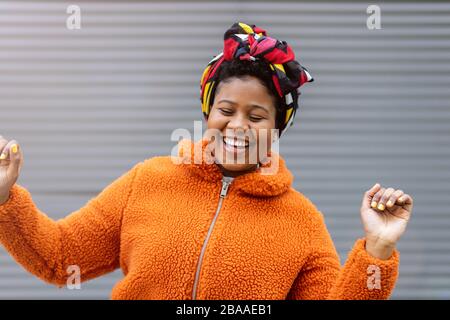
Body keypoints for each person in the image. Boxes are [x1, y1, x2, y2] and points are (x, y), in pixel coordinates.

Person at [0, 22, 413, 300]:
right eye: (226, 110)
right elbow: (58, 256)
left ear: (277, 128)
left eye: (256, 117)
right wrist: (4, 198)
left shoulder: (302, 222)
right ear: (207, 112)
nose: (237, 126)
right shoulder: (148, 180)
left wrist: (376, 249)